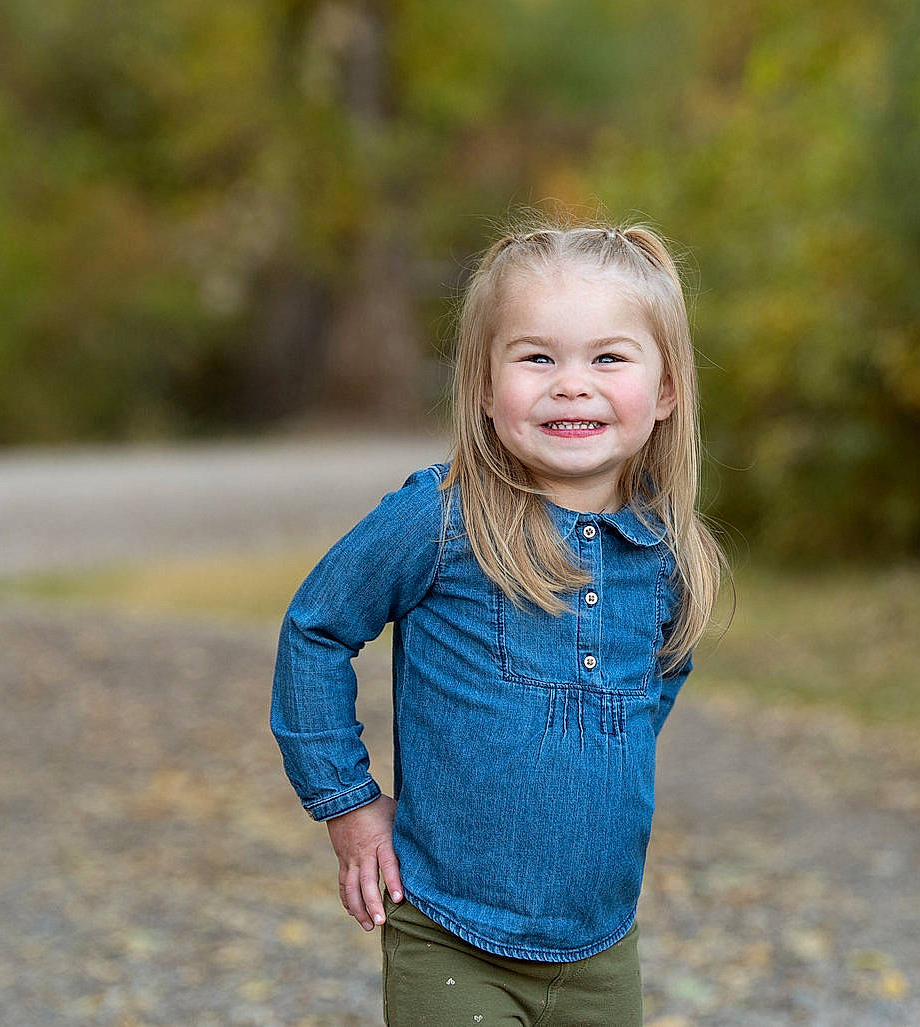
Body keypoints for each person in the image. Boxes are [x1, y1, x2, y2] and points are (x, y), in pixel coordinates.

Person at [271, 218, 730, 1024]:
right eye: (537, 356)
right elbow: (316, 628)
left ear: (664, 392)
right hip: (450, 931)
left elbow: (664, 670)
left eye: (608, 357)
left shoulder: (664, 553)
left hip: (600, 944)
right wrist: (345, 799)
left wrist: (598, 768)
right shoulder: (441, 522)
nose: (572, 383)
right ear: (485, 385)